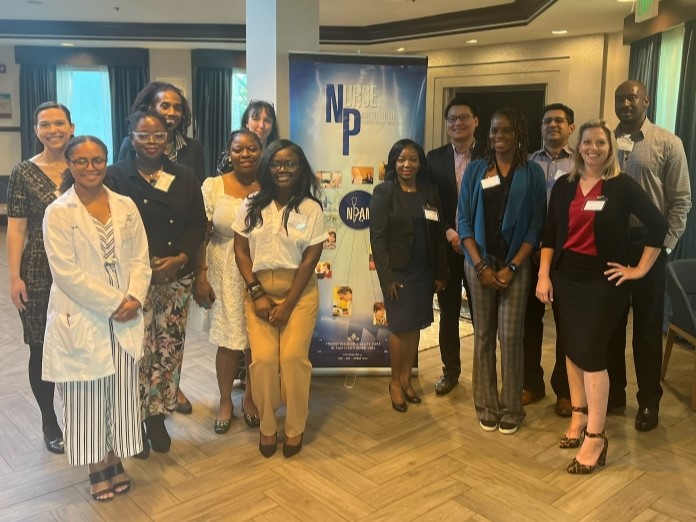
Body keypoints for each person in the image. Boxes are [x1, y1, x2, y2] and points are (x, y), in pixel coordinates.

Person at [536, 119, 667, 474]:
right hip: (566, 278)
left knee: (592, 354)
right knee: (571, 349)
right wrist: (544, 275)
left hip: (603, 282)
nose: (593, 148)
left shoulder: (622, 186)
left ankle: (596, 436)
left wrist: (638, 269)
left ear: (611, 148)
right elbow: (550, 233)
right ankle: (579, 417)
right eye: (587, 142)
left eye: (601, 143)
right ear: (578, 147)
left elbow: (658, 225)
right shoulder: (564, 186)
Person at [42, 136, 151, 501]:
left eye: (98, 161)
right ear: (69, 165)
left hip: (125, 313)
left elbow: (141, 257)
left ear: (107, 162)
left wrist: (135, 296)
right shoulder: (59, 211)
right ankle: (95, 466)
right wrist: (115, 301)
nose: (90, 168)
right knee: (85, 395)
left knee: (120, 392)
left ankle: (115, 458)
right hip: (83, 312)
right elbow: (65, 273)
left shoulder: (125, 205)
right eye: (82, 161)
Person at [106, 110, 206, 457]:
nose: (151, 141)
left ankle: (157, 417)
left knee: (167, 351)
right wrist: (144, 264)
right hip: (133, 280)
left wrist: (180, 258)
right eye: (143, 135)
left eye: (159, 135)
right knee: (136, 351)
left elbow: (198, 223)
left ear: (168, 138)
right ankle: (133, 421)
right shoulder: (115, 176)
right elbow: (108, 226)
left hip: (175, 278)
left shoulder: (184, 176)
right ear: (130, 137)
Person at [606, 80, 691, 432]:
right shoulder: (604, 142)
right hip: (611, 245)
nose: (625, 104)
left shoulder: (667, 143)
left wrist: (663, 246)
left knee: (646, 330)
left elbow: (681, 202)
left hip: (649, 246)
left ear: (646, 101)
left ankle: (648, 402)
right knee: (611, 326)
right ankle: (614, 395)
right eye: (619, 99)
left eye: (632, 98)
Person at [233, 139, 325, 458]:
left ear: (300, 169)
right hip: (258, 292)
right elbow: (240, 251)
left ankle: (295, 426)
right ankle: (268, 425)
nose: (283, 169)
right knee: (263, 361)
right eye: (276, 163)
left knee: (293, 359)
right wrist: (256, 293)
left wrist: (287, 305)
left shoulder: (311, 208)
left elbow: (311, 259)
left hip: (298, 294)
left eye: (290, 164)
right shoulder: (250, 205)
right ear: (266, 167)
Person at [458, 107, 546, 434]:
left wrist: (512, 267)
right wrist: (480, 266)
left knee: (510, 337)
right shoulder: (476, 169)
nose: (499, 136)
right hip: (479, 262)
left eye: (506, 130)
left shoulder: (532, 173)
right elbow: (463, 221)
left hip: (515, 265)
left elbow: (535, 228)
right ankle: (486, 404)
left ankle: (511, 407)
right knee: (483, 335)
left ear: (518, 133)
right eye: (494, 130)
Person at [6, 101, 75, 454]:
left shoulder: (84, 164)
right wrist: (14, 277)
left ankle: (81, 415)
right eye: (45, 124)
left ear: (71, 127)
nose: (53, 130)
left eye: (59, 123)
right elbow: (16, 227)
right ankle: (50, 420)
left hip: (80, 267)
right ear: (36, 131)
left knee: (76, 342)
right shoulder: (23, 172)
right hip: (37, 268)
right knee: (40, 345)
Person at [369, 139, 449, 413]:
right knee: (400, 328)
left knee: (414, 327)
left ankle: (406, 378)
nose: (407, 164)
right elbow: (378, 240)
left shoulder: (429, 191)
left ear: (420, 163)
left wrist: (440, 272)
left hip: (423, 271)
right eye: (402, 159)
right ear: (394, 162)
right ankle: (394, 382)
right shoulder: (384, 192)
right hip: (398, 273)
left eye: (413, 159)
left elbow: (438, 233)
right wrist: (387, 278)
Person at [192, 129, 262, 433]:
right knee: (229, 340)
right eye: (238, 149)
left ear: (261, 151)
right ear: (229, 153)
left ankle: (251, 398)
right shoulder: (213, 185)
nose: (245, 154)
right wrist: (201, 273)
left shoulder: (270, 184)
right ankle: (224, 401)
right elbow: (201, 232)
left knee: (257, 339)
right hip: (223, 268)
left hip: (261, 267)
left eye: (251, 149)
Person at [426, 96, 486, 396]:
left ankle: (485, 376)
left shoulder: (490, 154)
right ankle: (450, 371)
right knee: (448, 314)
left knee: (483, 316)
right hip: (447, 247)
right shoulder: (433, 158)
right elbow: (428, 203)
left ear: (476, 121)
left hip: (482, 249)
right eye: (452, 119)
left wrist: (471, 238)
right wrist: (450, 232)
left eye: (464, 117)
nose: (457, 123)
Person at [523, 103, 576, 416]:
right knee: (529, 323)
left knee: (567, 327)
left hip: (567, 256)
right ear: (540, 127)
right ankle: (531, 383)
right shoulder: (527, 162)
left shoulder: (581, 163)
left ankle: (565, 390)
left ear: (571, 127)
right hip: (530, 253)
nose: (552, 125)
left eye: (559, 120)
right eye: (546, 121)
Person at [118, 81, 206, 188]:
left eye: (177, 108)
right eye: (165, 106)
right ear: (151, 108)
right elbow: (121, 183)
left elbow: (198, 188)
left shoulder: (193, 147)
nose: (172, 113)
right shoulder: (131, 143)